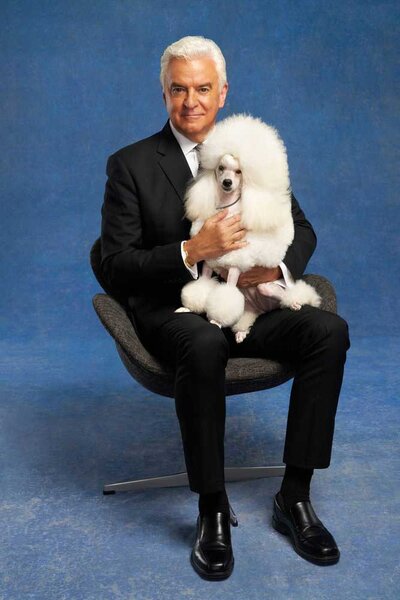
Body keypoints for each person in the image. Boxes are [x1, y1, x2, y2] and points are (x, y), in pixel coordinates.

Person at [100, 36, 350, 580]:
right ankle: (211, 506)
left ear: (223, 92)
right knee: (206, 340)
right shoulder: (131, 165)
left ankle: (295, 495)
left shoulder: (251, 150)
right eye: (179, 89)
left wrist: (274, 272)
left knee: (328, 331)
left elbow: (299, 229)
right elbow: (115, 265)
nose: (191, 101)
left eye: (203, 89)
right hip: (176, 312)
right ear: (164, 93)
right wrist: (193, 250)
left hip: (250, 301)